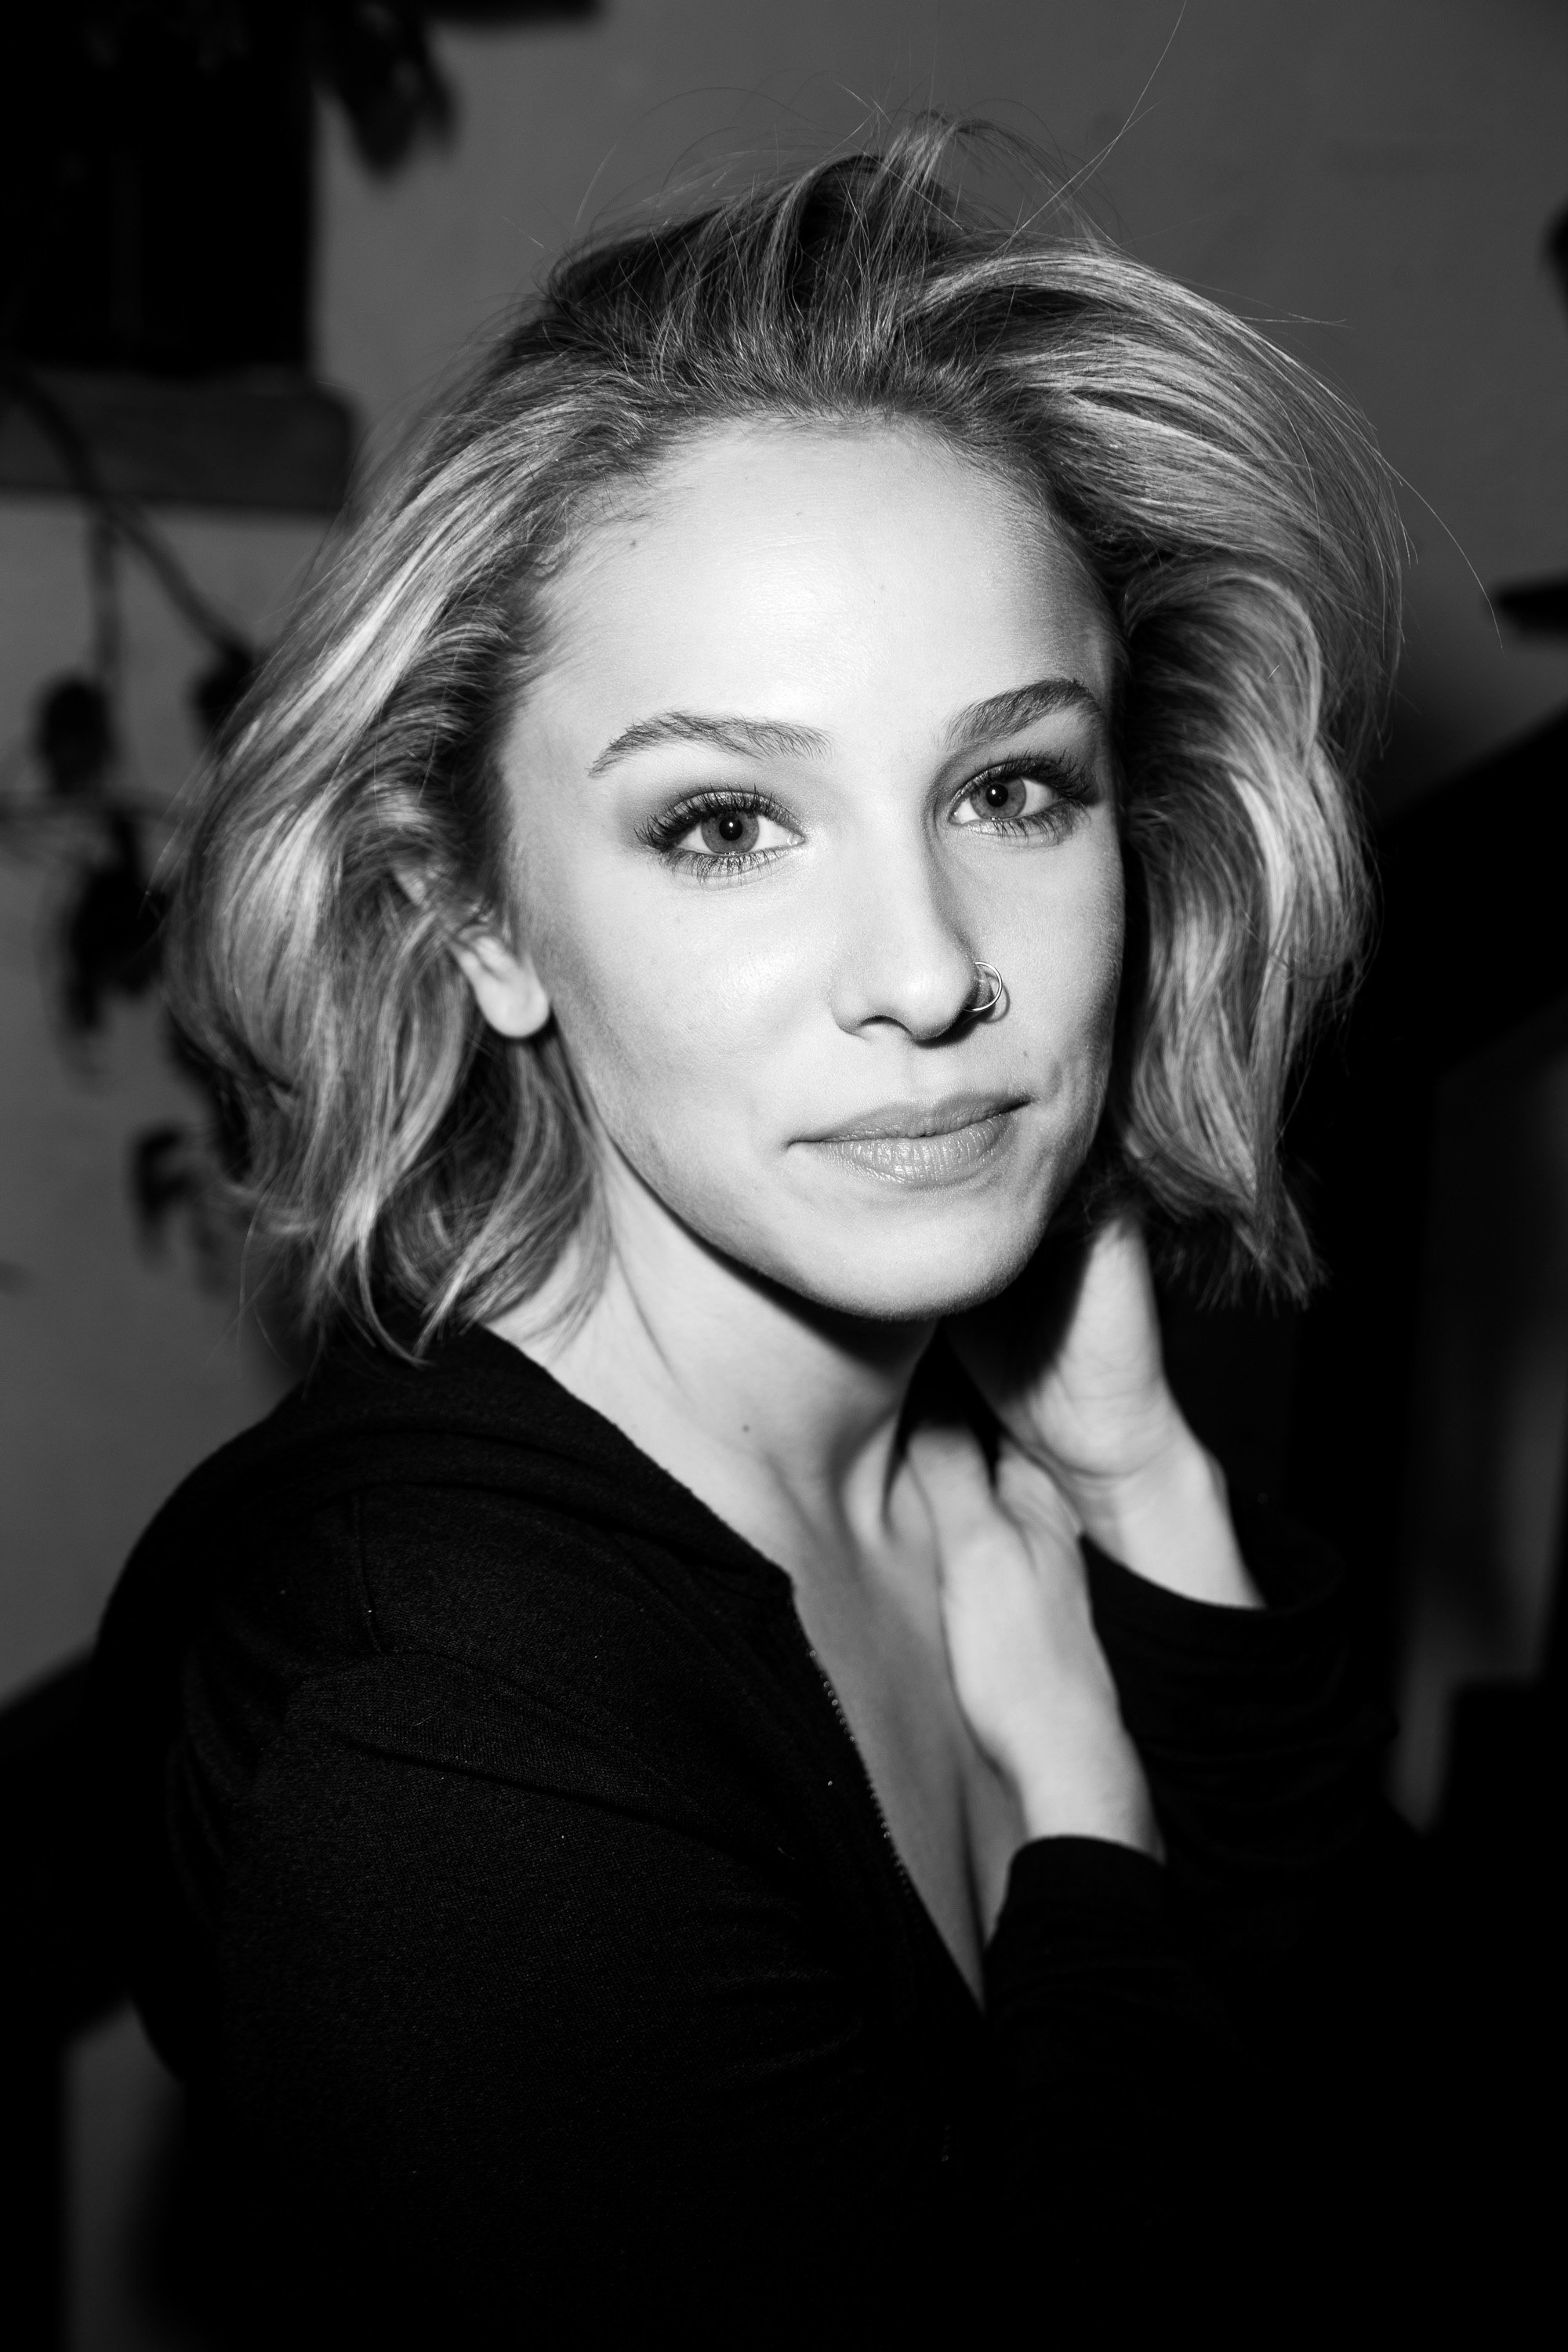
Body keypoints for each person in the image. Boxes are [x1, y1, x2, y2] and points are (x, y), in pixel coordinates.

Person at [89, 121, 1405, 2338]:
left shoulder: (1011, 1497)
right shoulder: (434, 1718)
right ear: (479, 922)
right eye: (724, 824)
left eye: (1012, 788)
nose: (929, 969)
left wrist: (1150, 1502)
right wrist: (1087, 1844)